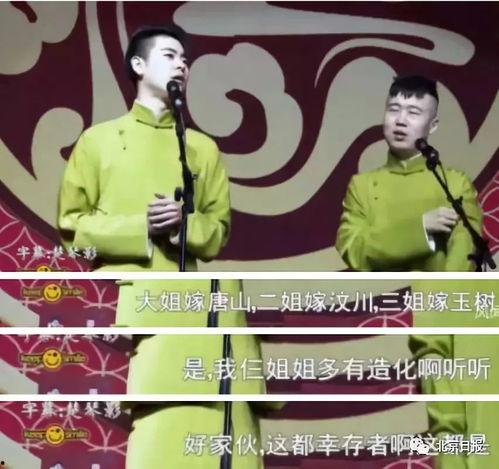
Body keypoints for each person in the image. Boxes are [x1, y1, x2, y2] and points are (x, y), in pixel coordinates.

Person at [57, 24, 267, 468]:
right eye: (170, 55)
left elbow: (218, 230)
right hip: (119, 307)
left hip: (184, 309)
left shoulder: (201, 149)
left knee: (190, 425)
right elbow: (72, 228)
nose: (182, 65)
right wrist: (142, 227)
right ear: (138, 64)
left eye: (185, 60)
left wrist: (181, 226)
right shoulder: (98, 140)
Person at [336, 75, 482, 272]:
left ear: (433, 125)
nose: (400, 120)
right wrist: (422, 228)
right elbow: (354, 250)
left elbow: (465, 254)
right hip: (382, 293)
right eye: (393, 109)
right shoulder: (362, 186)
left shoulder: (455, 184)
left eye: (413, 112)